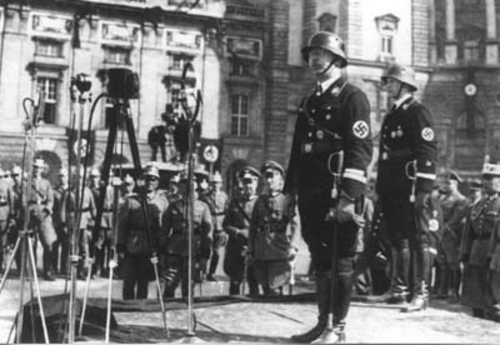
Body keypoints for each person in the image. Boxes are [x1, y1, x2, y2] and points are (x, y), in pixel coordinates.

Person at [284, 31, 373, 343]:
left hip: (339, 192)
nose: (314, 58)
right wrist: (288, 192)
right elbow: (297, 151)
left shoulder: (353, 97)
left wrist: (349, 198)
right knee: (321, 261)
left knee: (342, 259)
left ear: (337, 58)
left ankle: (339, 327)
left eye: (321, 53)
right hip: (312, 192)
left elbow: (360, 151)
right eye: (311, 54)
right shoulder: (310, 101)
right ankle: (323, 323)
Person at [373, 63, 438, 313]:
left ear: (404, 84)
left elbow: (428, 150)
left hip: (411, 183)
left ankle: (421, 293)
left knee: (418, 236)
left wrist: (424, 188)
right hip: (393, 184)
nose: (387, 85)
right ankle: (398, 290)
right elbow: (386, 155)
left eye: (390, 81)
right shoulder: (391, 116)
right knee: (397, 235)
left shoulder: (417, 111)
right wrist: (381, 186)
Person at [248, 160, 300, 295]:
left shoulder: (287, 200)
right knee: (264, 286)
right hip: (261, 249)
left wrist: (293, 246)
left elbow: (295, 225)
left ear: (280, 179)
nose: (269, 180)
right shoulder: (260, 200)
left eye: (272, 176)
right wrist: (251, 249)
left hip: (279, 249)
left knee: (274, 287)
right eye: (267, 177)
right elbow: (253, 228)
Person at [117, 165, 168, 299]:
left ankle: (140, 309)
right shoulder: (131, 201)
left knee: (144, 282)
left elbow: (166, 227)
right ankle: (126, 309)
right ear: (142, 180)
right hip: (132, 245)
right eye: (147, 179)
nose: (150, 182)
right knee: (128, 281)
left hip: (151, 246)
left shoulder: (162, 202)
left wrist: (162, 247)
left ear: (157, 182)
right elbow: (122, 225)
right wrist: (120, 245)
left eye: (153, 179)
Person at [160, 171, 212, 298]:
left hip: (194, 251)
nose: (187, 186)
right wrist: (162, 251)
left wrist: (205, 255)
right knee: (169, 285)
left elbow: (208, 232)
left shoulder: (203, 207)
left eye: (190, 183)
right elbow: (164, 231)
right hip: (174, 251)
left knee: (189, 287)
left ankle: (185, 314)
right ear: (180, 186)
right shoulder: (173, 206)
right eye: (183, 183)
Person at [460, 158, 500, 319]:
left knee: (492, 281)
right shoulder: (477, 204)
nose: (488, 182)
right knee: (475, 279)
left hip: (494, 249)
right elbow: (468, 232)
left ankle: (493, 308)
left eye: (492, 179)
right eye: (486, 178)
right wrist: (465, 251)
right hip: (477, 246)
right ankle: (478, 307)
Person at [223, 166, 261, 295]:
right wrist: (238, 232)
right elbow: (226, 224)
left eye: (251, 183)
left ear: (256, 183)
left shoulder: (261, 203)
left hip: (254, 247)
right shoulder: (234, 203)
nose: (248, 186)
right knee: (235, 282)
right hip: (236, 246)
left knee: (253, 281)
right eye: (245, 183)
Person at [436, 171, 469, 302]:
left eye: (448, 183)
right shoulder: (441, 199)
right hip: (440, 235)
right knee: (442, 263)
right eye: (444, 183)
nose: (446, 185)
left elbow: (456, 219)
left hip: (452, 236)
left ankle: (454, 292)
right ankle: (442, 290)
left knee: (453, 263)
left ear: (455, 184)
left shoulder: (462, 200)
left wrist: (442, 228)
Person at [60, 168, 96, 280]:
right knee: (72, 247)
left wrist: (93, 221)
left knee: (84, 247)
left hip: (84, 221)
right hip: (72, 221)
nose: (78, 180)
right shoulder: (68, 192)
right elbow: (63, 209)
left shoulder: (88, 191)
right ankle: (71, 271)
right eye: (76, 177)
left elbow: (93, 207)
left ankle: (82, 271)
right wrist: (64, 224)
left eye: (80, 177)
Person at [28, 159, 58, 281]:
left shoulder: (46, 183)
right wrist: (32, 211)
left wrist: (46, 210)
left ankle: (47, 271)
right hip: (31, 216)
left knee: (48, 244)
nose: (37, 170)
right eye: (35, 167)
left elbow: (51, 200)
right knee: (32, 245)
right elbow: (24, 199)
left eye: (39, 167)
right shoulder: (27, 182)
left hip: (45, 217)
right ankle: (32, 272)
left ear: (42, 170)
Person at [201, 171, 228, 282]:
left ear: (221, 184)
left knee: (216, 252)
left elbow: (228, 211)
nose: (215, 185)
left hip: (221, 227)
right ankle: (202, 272)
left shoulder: (224, 196)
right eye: (213, 183)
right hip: (209, 225)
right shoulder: (205, 196)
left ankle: (211, 273)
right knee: (206, 251)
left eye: (217, 183)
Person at [52, 168, 70, 275]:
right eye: (60, 176)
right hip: (56, 222)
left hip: (67, 222)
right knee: (55, 245)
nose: (62, 178)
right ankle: (54, 268)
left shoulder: (70, 191)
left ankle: (64, 268)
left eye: (63, 176)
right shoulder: (54, 191)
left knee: (66, 246)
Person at [0, 168, 13, 273]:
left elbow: (10, 200)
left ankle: (1, 267)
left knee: (2, 243)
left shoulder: (6, 185)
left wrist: (11, 215)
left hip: (3, 215)